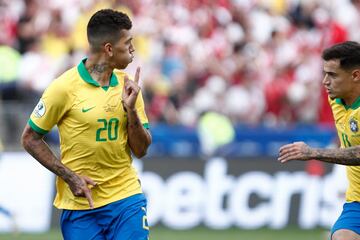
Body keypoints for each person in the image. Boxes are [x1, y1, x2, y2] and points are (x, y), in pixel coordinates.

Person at [21, 9, 152, 240]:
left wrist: (131, 111)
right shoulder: (63, 88)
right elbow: (29, 138)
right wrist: (69, 176)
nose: (133, 49)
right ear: (109, 49)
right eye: (128, 43)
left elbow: (141, 150)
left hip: (126, 198)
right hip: (80, 206)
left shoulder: (129, 87)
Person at [278, 41, 360, 240]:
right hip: (357, 202)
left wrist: (312, 152)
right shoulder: (336, 98)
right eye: (324, 73)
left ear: (355, 75)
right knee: (342, 237)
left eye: (332, 75)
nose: (325, 81)